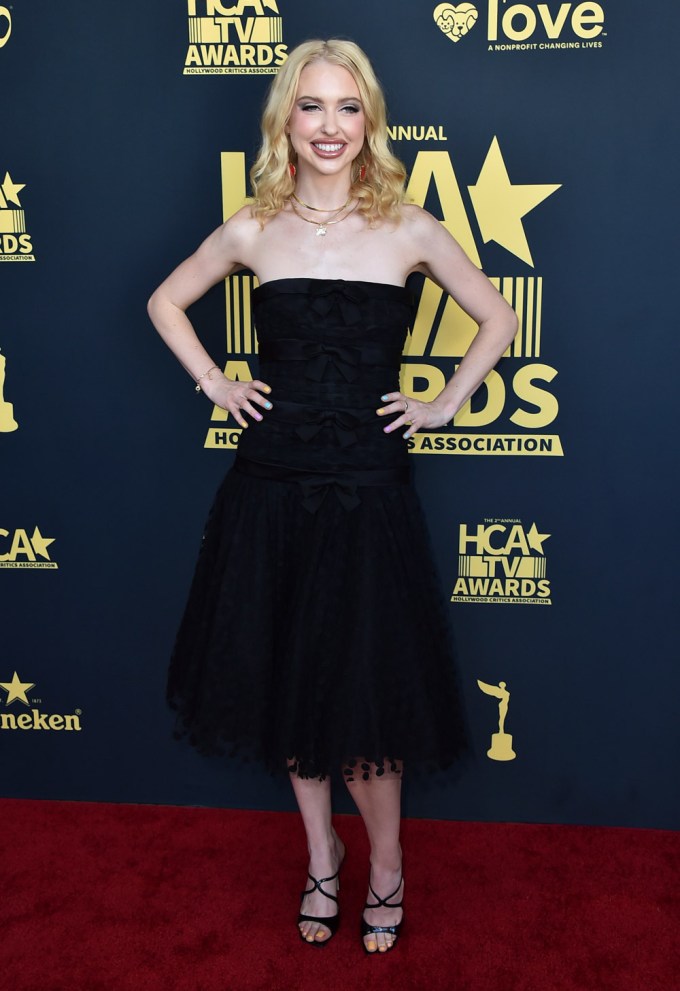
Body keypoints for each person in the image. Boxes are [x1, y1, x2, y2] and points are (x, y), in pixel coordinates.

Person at [147, 38, 517, 955]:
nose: (329, 125)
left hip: (369, 490)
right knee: (286, 680)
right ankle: (323, 856)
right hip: (270, 487)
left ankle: (385, 862)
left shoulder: (408, 227)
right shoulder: (252, 228)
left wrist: (444, 401)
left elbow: (498, 315)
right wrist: (214, 382)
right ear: (286, 119)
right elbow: (164, 301)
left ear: (370, 122)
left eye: (347, 107)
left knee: (365, 694)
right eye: (311, 105)